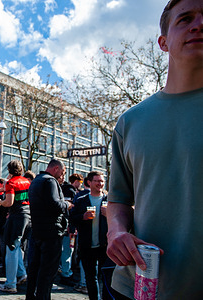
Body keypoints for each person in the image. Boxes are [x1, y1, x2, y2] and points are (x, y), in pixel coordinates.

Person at [107, 0, 203, 299]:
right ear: (163, 42)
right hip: (140, 286)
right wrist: (116, 232)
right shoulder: (130, 122)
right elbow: (119, 199)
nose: (198, 24)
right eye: (185, 19)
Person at [26, 159, 71, 300]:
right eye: (62, 173)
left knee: (34, 271)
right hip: (51, 234)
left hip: (37, 232)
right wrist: (67, 205)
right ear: (56, 168)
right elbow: (54, 205)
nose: (62, 177)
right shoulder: (50, 181)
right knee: (47, 273)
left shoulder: (36, 181)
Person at [70, 171, 109, 300]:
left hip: (105, 245)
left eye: (102, 181)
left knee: (106, 277)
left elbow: (121, 219)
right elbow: (72, 218)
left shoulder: (109, 201)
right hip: (87, 245)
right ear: (89, 182)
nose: (100, 183)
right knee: (90, 277)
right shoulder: (82, 201)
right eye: (97, 181)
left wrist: (109, 215)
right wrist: (83, 217)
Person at [0, 160, 31, 294]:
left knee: (10, 247)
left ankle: (10, 284)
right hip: (27, 215)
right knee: (17, 246)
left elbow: (9, 202)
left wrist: (0, 202)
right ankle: (21, 273)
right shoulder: (27, 182)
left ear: (9, 169)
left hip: (17, 216)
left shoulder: (11, 183)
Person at [59, 173, 83, 286]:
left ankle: (65, 271)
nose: (81, 184)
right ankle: (66, 273)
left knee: (66, 249)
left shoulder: (62, 189)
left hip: (63, 224)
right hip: (69, 225)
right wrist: (72, 226)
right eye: (80, 182)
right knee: (68, 249)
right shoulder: (71, 191)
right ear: (76, 181)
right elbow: (70, 210)